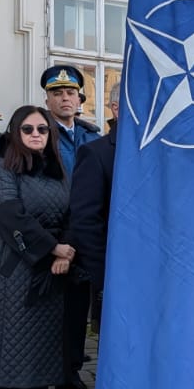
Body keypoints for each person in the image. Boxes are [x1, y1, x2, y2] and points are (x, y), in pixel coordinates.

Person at [0, 105, 74, 389]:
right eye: (28, 129)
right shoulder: (4, 168)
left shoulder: (57, 171)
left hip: (52, 269)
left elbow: (71, 213)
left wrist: (66, 251)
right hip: (15, 268)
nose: (36, 134)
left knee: (42, 351)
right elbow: (8, 215)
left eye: (43, 129)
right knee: (9, 352)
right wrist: (53, 248)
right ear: (16, 133)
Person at [42, 65, 101, 389]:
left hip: (83, 231)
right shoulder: (38, 132)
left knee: (77, 309)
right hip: (52, 232)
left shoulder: (90, 135)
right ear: (47, 98)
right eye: (57, 93)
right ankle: (42, 377)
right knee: (48, 311)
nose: (64, 98)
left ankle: (70, 374)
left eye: (70, 93)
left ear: (80, 98)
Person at [65, 79, 120, 347]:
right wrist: (103, 276)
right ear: (116, 108)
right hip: (114, 274)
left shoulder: (157, 152)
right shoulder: (96, 152)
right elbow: (86, 220)